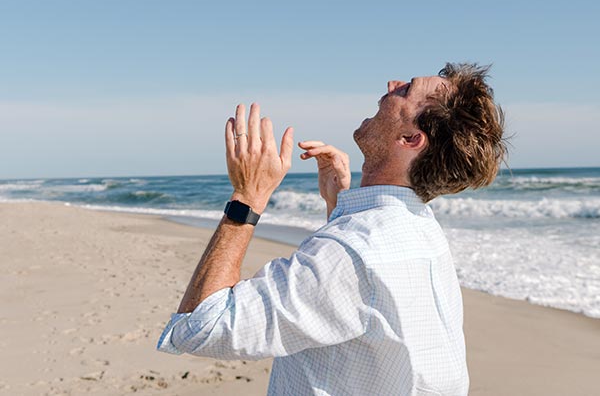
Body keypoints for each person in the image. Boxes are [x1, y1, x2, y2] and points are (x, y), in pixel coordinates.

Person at [157, 63, 507, 396]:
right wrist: (338, 205)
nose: (391, 86)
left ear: (411, 138)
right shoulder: (421, 230)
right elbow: (358, 302)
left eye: (407, 89)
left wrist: (248, 196)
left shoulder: (355, 252)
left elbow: (202, 326)